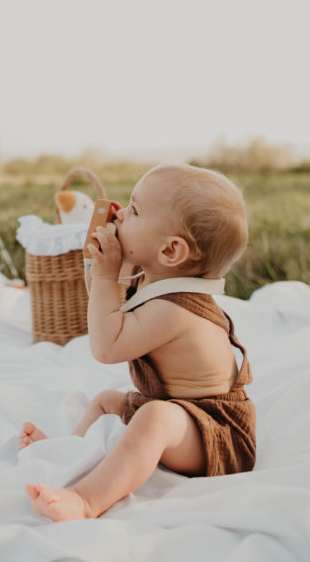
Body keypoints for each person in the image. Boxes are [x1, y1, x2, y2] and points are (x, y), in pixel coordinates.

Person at [20, 163, 256, 522]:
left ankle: (86, 500)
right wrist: (101, 268)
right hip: (177, 410)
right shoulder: (154, 278)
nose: (120, 213)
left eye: (135, 210)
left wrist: (104, 275)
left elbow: (106, 347)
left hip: (215, 432)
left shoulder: (174, 310)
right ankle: (67, 453)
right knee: (106, 402)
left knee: (154, 417)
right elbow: (104, 305)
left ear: (170, 252)